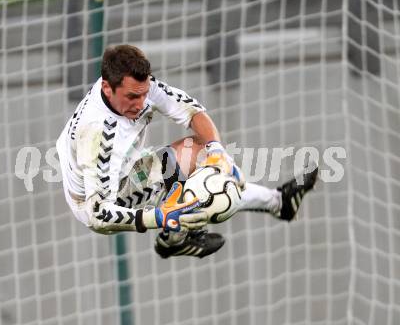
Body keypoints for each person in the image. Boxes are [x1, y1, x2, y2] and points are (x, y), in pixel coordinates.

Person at [56, 44, 318, 259]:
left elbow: (193, 112)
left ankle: (280, 203)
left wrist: (218, 153)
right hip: (98, 199)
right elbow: (97, 215)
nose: (141, 103)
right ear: (106, 88)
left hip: (125, 169)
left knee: (202, 152)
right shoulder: (97, 136)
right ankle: (174, 239)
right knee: (198, 191)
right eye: (132, 97)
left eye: (144, 94)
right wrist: (158, 217)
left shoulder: (140, 88)